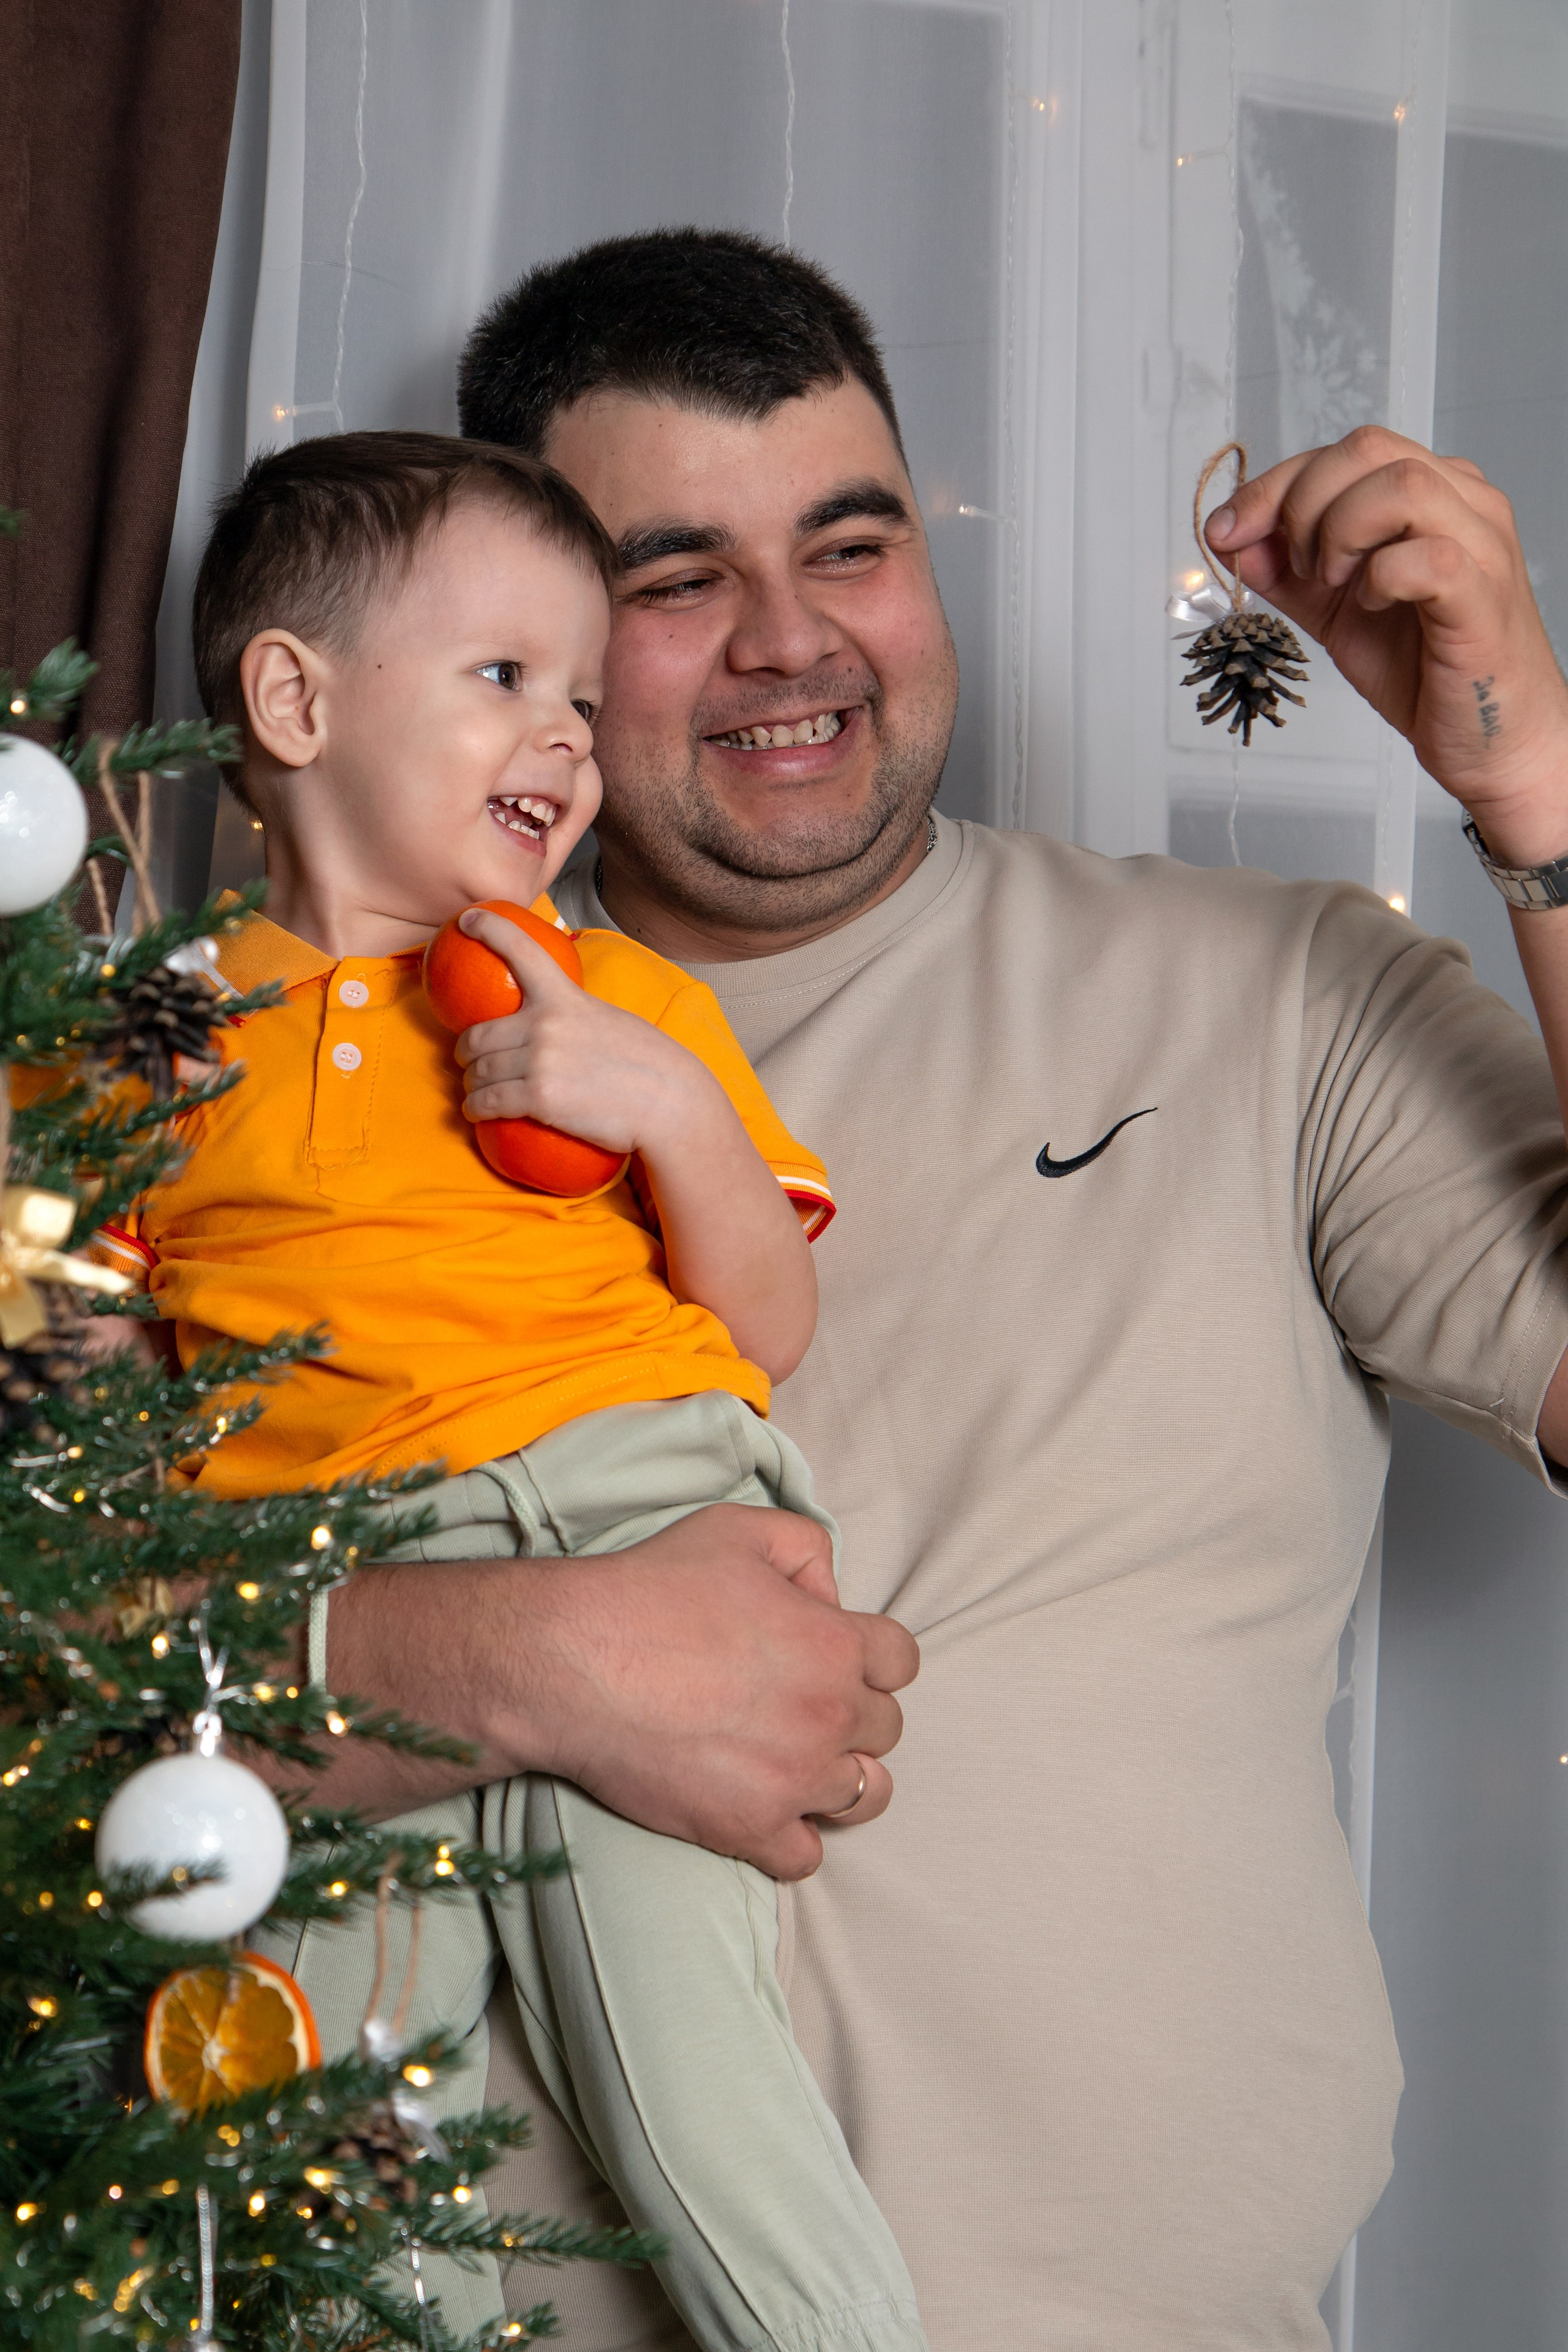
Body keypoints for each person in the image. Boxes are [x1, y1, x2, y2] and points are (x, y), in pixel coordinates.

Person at [301, 230, 1568, 2352]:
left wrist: (1533, 796)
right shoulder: (306, 1065)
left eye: (854, 543)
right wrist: (518, 1663)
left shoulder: (1276, 994)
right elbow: (70, 1697)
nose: (793, 645)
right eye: (675, 577)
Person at [104, 429, 927, 2351]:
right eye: (505, 681)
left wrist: (659, 1111)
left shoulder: (611, 998)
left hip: (641, 1510)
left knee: (688, 2096)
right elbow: (88, 1409)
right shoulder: (152, 1039)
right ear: (294, 701)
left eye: (578, 691)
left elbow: (771, 1320)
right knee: (331, 2129)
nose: (565, 737)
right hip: (342, 1594)